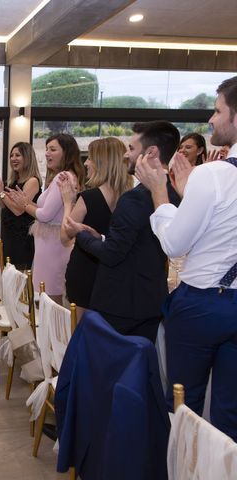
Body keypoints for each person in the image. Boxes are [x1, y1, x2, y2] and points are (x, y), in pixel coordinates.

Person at [135, 76, 237, 440]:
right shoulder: (209, 177)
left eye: (218, 110)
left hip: (202, 305)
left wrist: (160, 192)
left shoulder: (213, 175)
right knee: (230, 414)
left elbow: (175, 245)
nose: (212, 119)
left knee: (183, 404)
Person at [68, 121, 181, 343]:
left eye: (131, 148)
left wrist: (81, 234)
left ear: (151, 153)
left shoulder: (134, 198)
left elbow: (112, 254)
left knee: (111, 369)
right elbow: (138, 244)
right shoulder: (175, 194)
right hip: (151, 300)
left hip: (120, 306)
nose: (126, 155)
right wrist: (99, 237)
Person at [6, 133, 85, 305]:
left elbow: (45, 215)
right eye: (47, 149)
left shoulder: (63, 177)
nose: (47, 153)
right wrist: (27, 203)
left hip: (54, 248)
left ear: (67, 153)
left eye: (53, 149)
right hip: (48, 246)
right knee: (45, 301)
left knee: (50, 304)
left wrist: (25, 204)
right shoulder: (62, 176)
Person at [59, 137, 133, 319]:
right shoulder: (131, 198)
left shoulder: (89, 197)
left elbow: (65, 236)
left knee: (80, 335)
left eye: (90, 158)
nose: (86, 163)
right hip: (115, 278)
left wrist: (68, 203)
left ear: (102, 163)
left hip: (84, 274)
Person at [0, 142, 41, 270]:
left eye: (18, 155)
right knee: (8, 277)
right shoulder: (13, 181)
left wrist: (1, 192)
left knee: (19, 280)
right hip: (8, 235)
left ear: (27, 158)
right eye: (12, 155)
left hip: (21, 240)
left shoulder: (32, 181)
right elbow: (4, 205)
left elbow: (18, 210)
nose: (13, 158)